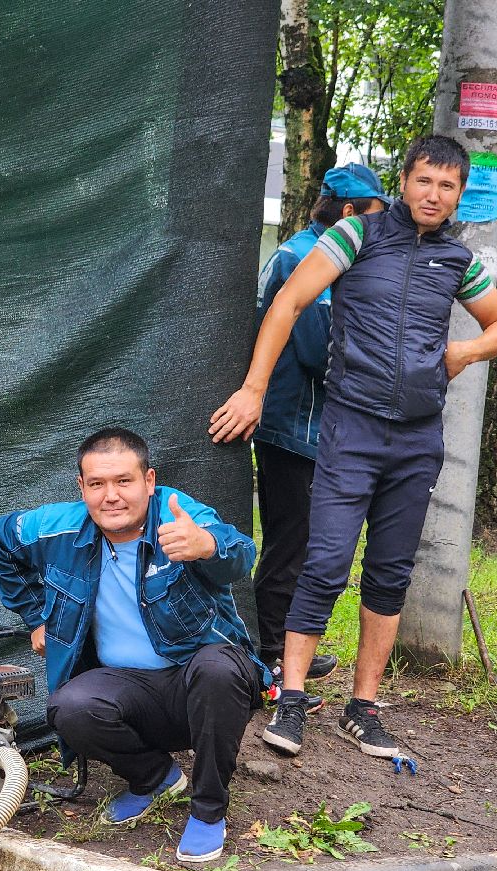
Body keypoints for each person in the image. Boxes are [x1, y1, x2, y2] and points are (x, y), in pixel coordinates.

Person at [212, 134, 497, 759]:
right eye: (424, 181)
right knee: (323, 562)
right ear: (403, 182)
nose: (433, 195)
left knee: (389, 572)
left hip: (417, 437)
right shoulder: (358, 236)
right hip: (350, 428)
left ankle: (363, 707)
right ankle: (291, 699)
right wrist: (253, 389)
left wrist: (464, 351)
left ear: (460, 196)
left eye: (447, 186)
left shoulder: (459, 262)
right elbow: (290, 302)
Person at [0, 428, 267, 865]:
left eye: (124, 481)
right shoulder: (57, 526)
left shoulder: (178, 514)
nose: (110, 496)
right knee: (70, 706)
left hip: (201, 684)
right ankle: (154, 778)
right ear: (82, 488)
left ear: (149, 482)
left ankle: (209, 809)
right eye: (97, 484)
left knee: (218, 669)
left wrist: (206, 545)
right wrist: (36, 616)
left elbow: (241, 553)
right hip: (127, 689)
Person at [211, 162, 392, 700]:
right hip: (294, 427)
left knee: (302, 542)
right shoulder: (303, 258)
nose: (380, 227)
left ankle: (285, 650)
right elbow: (321, 351)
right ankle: (269, 659)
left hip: (310, 427)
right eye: (377, 214)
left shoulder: (317, 253)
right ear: (351, 212)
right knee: (291, 544)